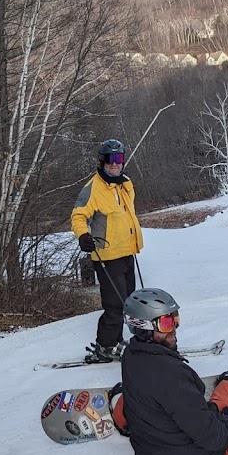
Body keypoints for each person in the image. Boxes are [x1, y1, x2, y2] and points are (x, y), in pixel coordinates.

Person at [110, 288, 228, 455]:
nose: (174, 330)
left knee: (135, 398)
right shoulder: (172, 375)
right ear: (143, 327)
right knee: (227, 393)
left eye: (175, 319)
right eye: (166, 323)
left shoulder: (130, 356)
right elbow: (213, 437)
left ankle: (118, 408)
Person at [71, 138, 144, 363]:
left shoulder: (125, 183)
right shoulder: (93, 188)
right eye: (110, 159)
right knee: (115, 304)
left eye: (118, 159)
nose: (114, 164)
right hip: (107, 255)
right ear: (102, 161)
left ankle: (117, 339)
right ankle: (106, 345)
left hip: (127, 251)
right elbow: (78, 215)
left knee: (129, 301)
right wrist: (83, 235)